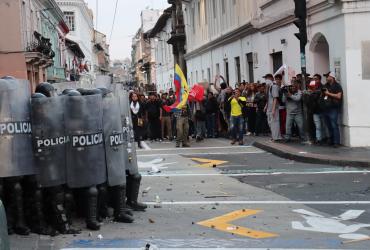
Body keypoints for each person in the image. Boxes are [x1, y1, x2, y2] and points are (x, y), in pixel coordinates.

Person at [321, 72, 343, 147]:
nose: (326, 78)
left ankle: (336, 142)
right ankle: (331, 140)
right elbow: (322, 95)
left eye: (328, 76)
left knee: (334, 125)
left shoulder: (337, 86)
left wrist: (328, 94)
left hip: (333, 108)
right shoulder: (325, 85)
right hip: (325, 107)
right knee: (328, 125)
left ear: (332, 77)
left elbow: (339, 96)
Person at [265, 74, 282, 141]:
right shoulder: (269, 87)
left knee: (275, 122)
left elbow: (275, 98)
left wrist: (273, 109)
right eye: (266, 79)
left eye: (267, 79)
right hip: (269, 107)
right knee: (270, 122)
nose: (266, 80)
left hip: (273, 107)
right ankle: (273, 136)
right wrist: (266, 106)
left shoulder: (274, 86)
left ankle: (276, 137)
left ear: (271, 79)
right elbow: (268, 98)